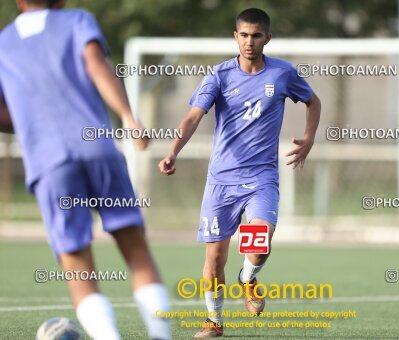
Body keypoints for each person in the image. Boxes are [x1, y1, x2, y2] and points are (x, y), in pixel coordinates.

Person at [0, 1, 171, 339]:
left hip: (50, 164)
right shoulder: (77, 20)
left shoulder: (4, 42)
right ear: (60, 0)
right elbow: (96, 66)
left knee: (78, 266)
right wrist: (129, 118)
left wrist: (31, 122)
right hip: (98, 148)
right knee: (136, 250)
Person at [158, 7, 321, 338]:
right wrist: (173, 151)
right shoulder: (218, 76)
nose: (249, 42)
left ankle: (247, 278)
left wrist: (308, 139)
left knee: (258, 245)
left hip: (261, 178)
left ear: (267, 38)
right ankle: (214, 322)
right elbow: (192, 118)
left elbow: (313, 101)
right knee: (214, 259)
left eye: (256, 35)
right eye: (244, 35)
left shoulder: (282, 74)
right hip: (221, 180)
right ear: (236, 37)